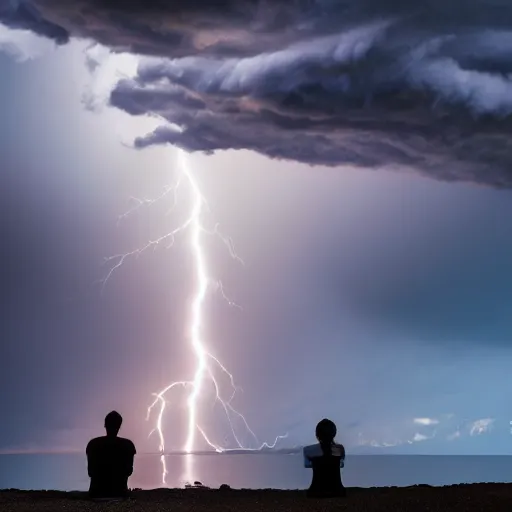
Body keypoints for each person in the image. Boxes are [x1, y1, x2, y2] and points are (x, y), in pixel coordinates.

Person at [86, 411, 136, 499]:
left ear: (105, 425)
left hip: (96, 493)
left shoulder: (93, 444)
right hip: (120, 493)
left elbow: (90, 472)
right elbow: (129, 471)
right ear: (119, 426)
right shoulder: (128, 445)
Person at [303, 418, 346, 498]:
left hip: (315, 492)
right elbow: (341, 465)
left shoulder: (307, 450)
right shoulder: (340, 449)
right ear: (334, 433)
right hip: (338, 491)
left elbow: (307, 465)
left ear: (317, 434)